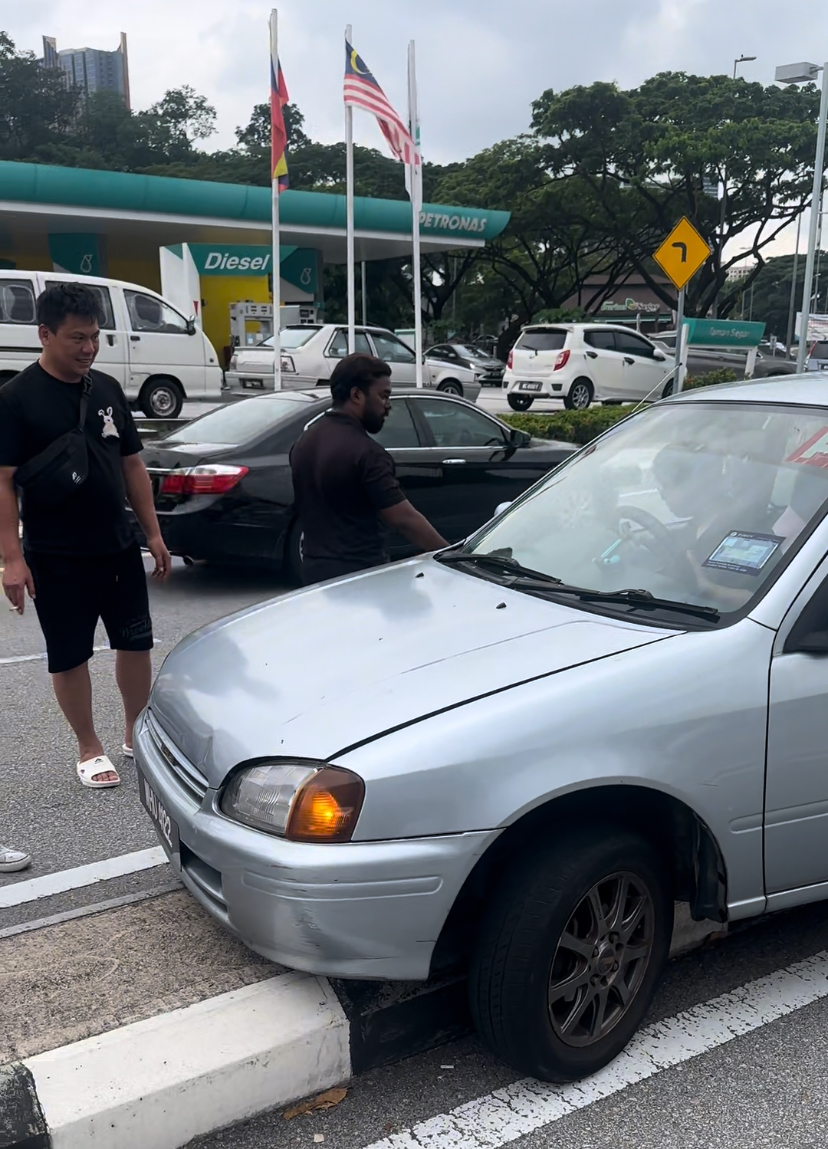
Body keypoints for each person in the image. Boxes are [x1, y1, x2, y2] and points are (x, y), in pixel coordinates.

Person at [0, 283, 171, 789]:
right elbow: (3, 481)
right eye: (77, 338)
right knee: (70, 652)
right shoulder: (15, 399)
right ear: (45, 334)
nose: (89, 349)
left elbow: (133, 465)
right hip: (55, 553)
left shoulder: (108, 390)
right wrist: (12, 558)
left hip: (117, 545)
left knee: (135, 643)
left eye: (94, 337)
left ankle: (135, 732)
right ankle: (89, 746)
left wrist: (154, 533)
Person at [290, 353, 448, 584]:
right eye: (383, 396)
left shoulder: (303, 442)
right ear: (356, 395)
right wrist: (450, 555)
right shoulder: (367, 453)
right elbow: (403, 518)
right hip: (360, 577)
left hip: (313, 574)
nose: (388, 405)